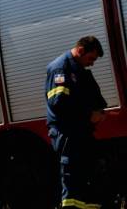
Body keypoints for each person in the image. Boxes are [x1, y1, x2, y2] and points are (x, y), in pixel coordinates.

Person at [46, 36, 107, 208]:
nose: (92, 63)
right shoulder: (61, 68)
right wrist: (89, 115)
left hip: (79, 132)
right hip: (67, 133)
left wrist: (99, 111)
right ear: (80, 51)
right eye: (91, 58)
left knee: (86, 174)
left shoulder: (77, 68)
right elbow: (59, 104)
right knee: (72, 177)